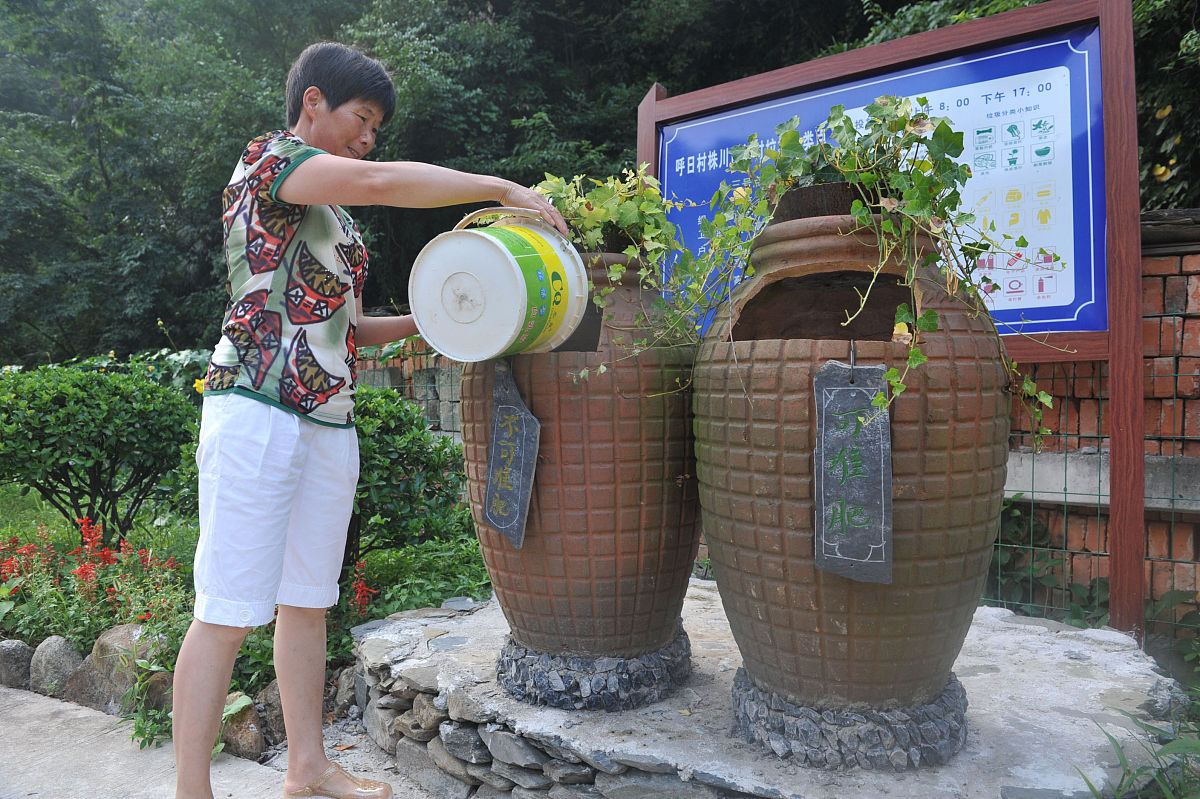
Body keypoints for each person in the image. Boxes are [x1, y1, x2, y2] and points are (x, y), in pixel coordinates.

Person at [173, 41, 566, 799]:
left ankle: (308, 767)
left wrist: (442, 315)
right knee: (225, 608)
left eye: (377, 128)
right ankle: (193, 790)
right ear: (313, 102)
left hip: (328, 417)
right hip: (256, 404)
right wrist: (498, 187)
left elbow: (351, 327)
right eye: (362, 118)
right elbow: (384, 182)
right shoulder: (269, 161)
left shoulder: (336, 220)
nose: (369, 138)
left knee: (308, 600)